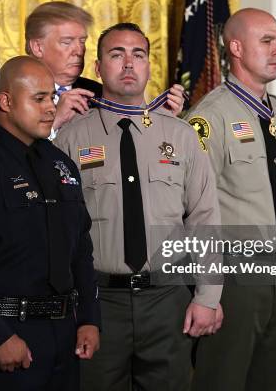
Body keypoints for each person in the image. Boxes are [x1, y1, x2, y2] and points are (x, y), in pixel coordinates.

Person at [55, 22, 222, 391]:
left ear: (149, 66)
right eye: (117, 54)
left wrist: (208, 296)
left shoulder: (181, 134)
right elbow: (55, 228)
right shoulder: (70, 136)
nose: (128, 63)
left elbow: (204, 218)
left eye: (138, 55)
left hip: (168, 301)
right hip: (98, 304)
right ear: (97, 69)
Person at [0, 56, 100, 390]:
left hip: (64, 334)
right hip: (5, 332)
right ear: (6, 101)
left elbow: (81, 249)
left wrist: (90, 319)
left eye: (51, 97)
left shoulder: (60, 164)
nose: (51, 108)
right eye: (38, 99)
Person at [183, 8, 276, 391]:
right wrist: (209, 290)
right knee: (224, 380)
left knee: (272, 382)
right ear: (235, 47)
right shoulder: (209, 117)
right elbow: (196, 210)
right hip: (237, 277)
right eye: (266, 41)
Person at [0, 2, 185, 136]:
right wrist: (54, 122)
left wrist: (159, 120)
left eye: (82, 41)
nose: (79, 51)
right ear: (37, 47)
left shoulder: (100, 93)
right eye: (67, 42)